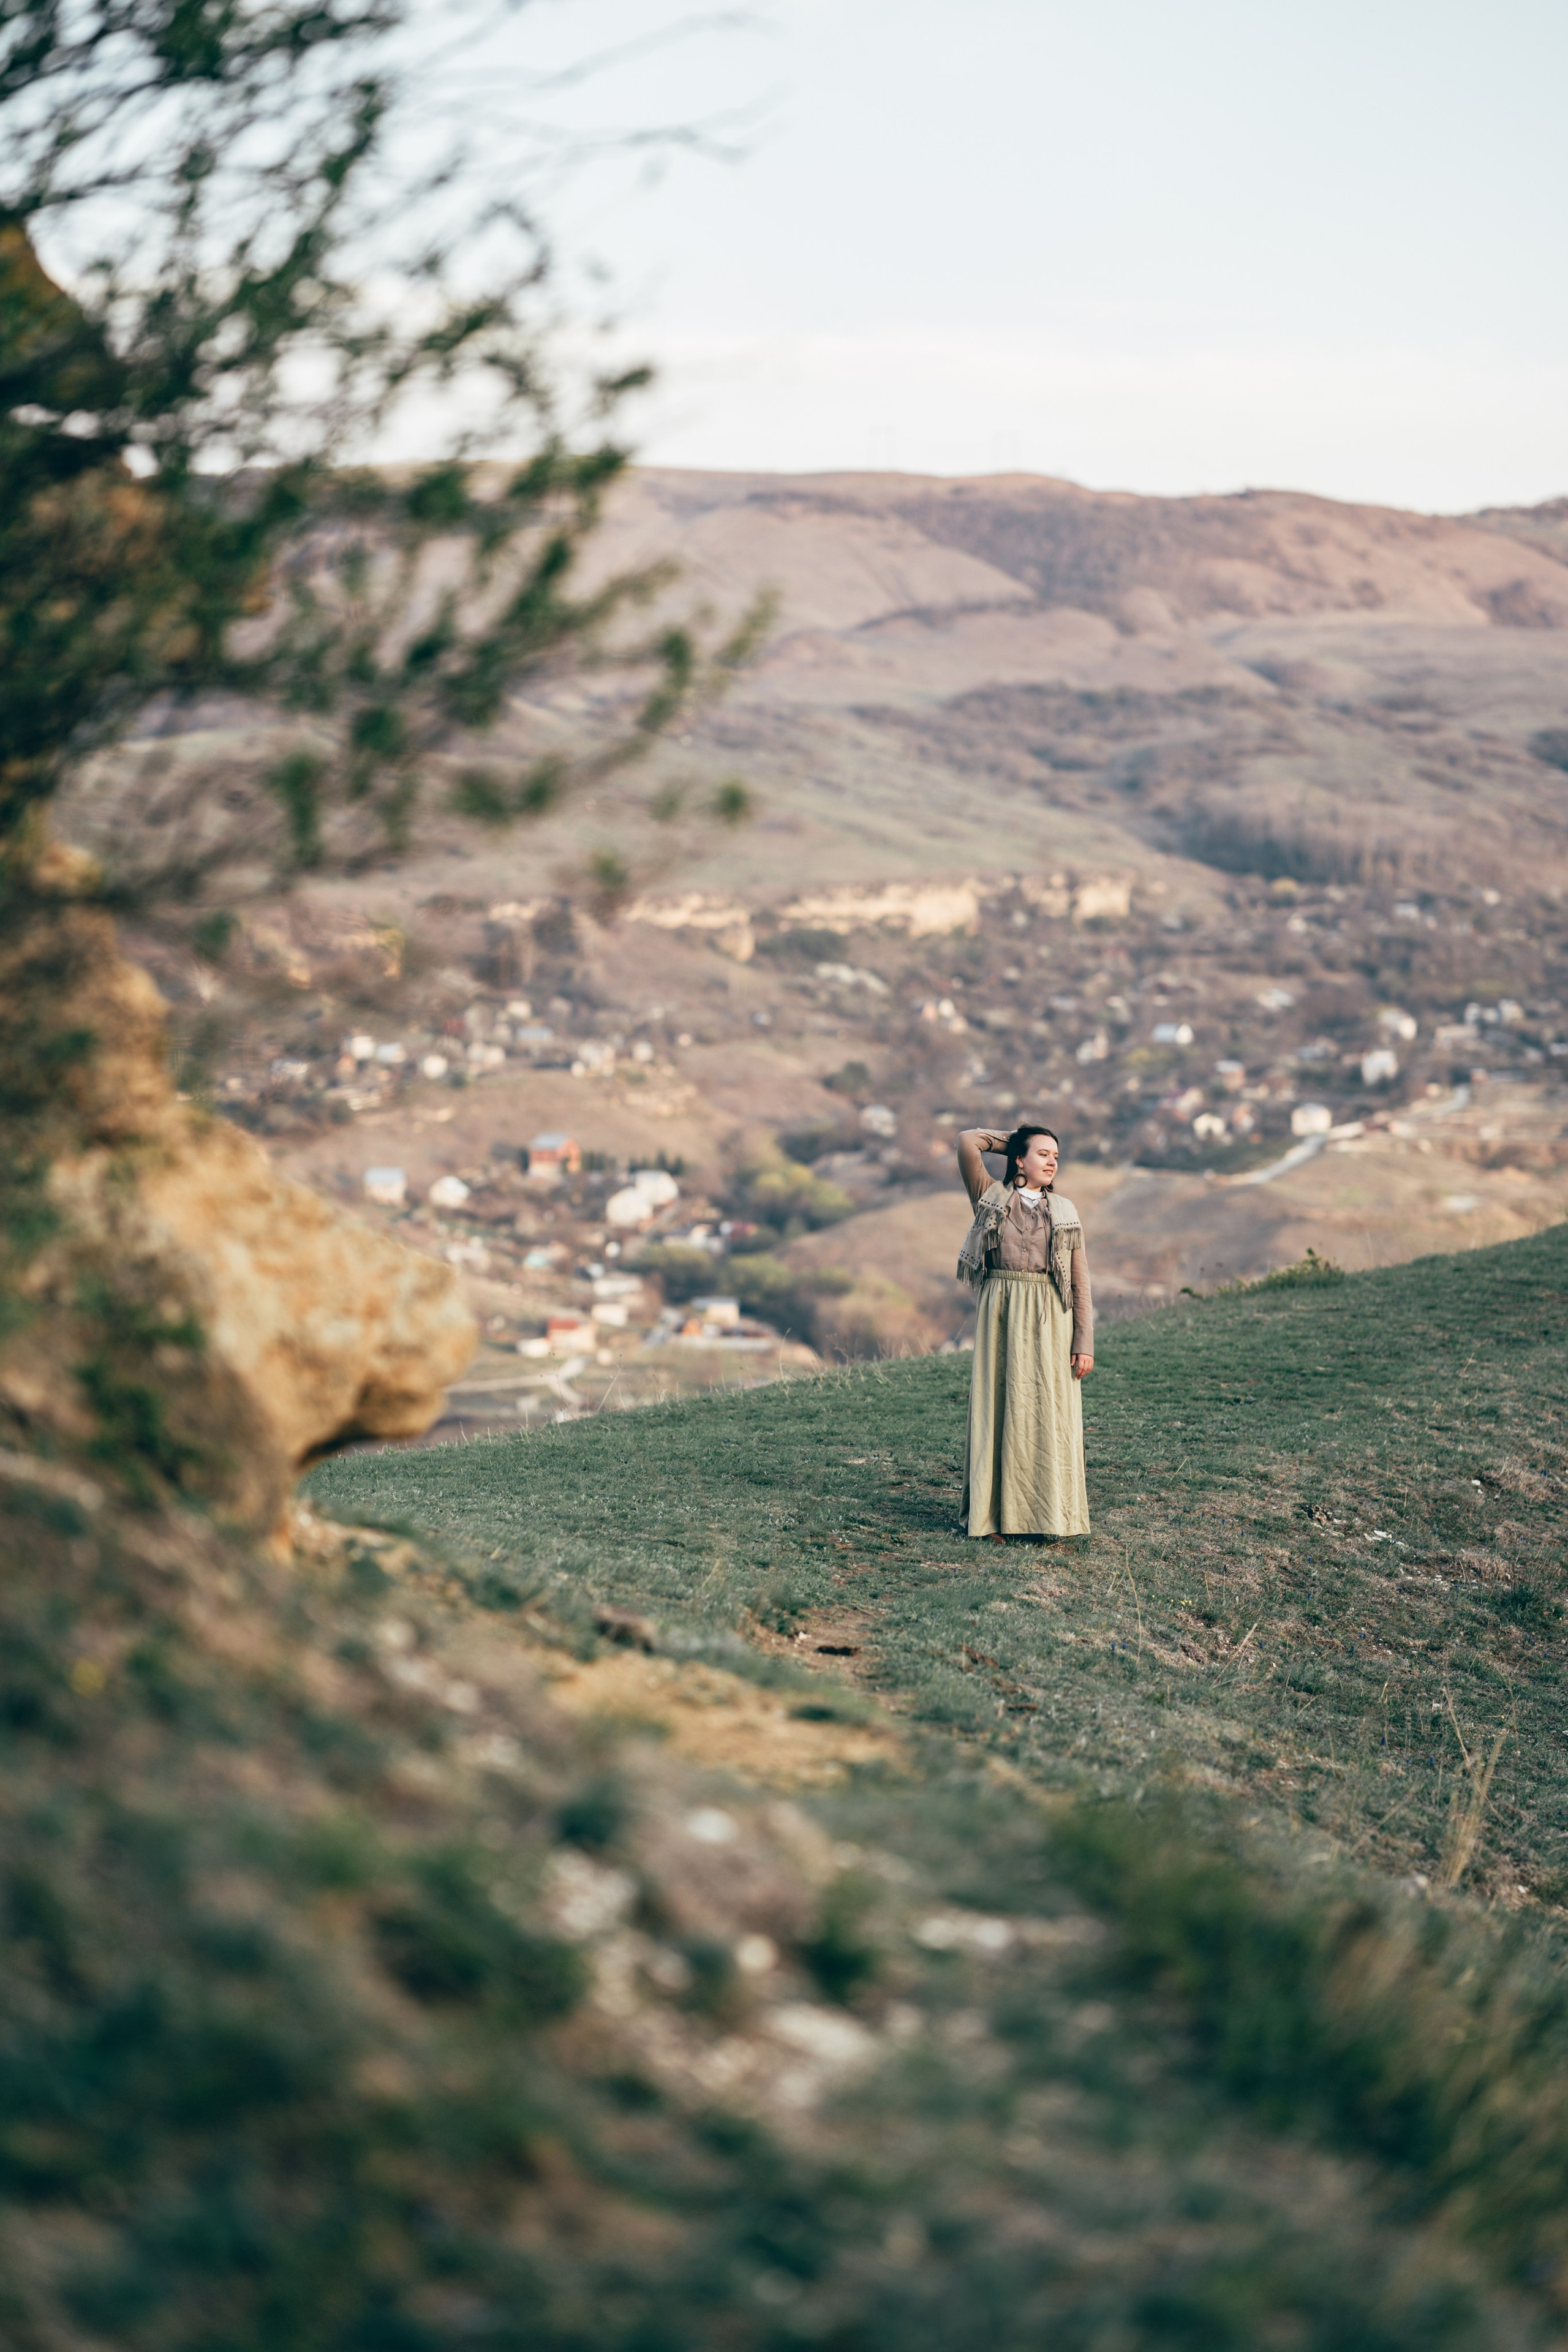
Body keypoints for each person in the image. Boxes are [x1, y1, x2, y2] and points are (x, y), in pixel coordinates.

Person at [954, 1123, 1093, 1542]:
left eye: (1056, 1156)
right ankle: (994, 1518)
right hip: (1001, 1309)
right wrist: (1013, 1137)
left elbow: (1081, 1282)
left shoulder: (1066, 1210)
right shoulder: (990, 1197)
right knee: (1001, 1408)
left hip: (1052, 1313)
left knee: (1048, 1412)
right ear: (1019, 1160)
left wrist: (1083, 1340)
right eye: (1043, 1153)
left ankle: (1048, 1517)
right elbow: (967, 1142)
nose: (1052, 1162)